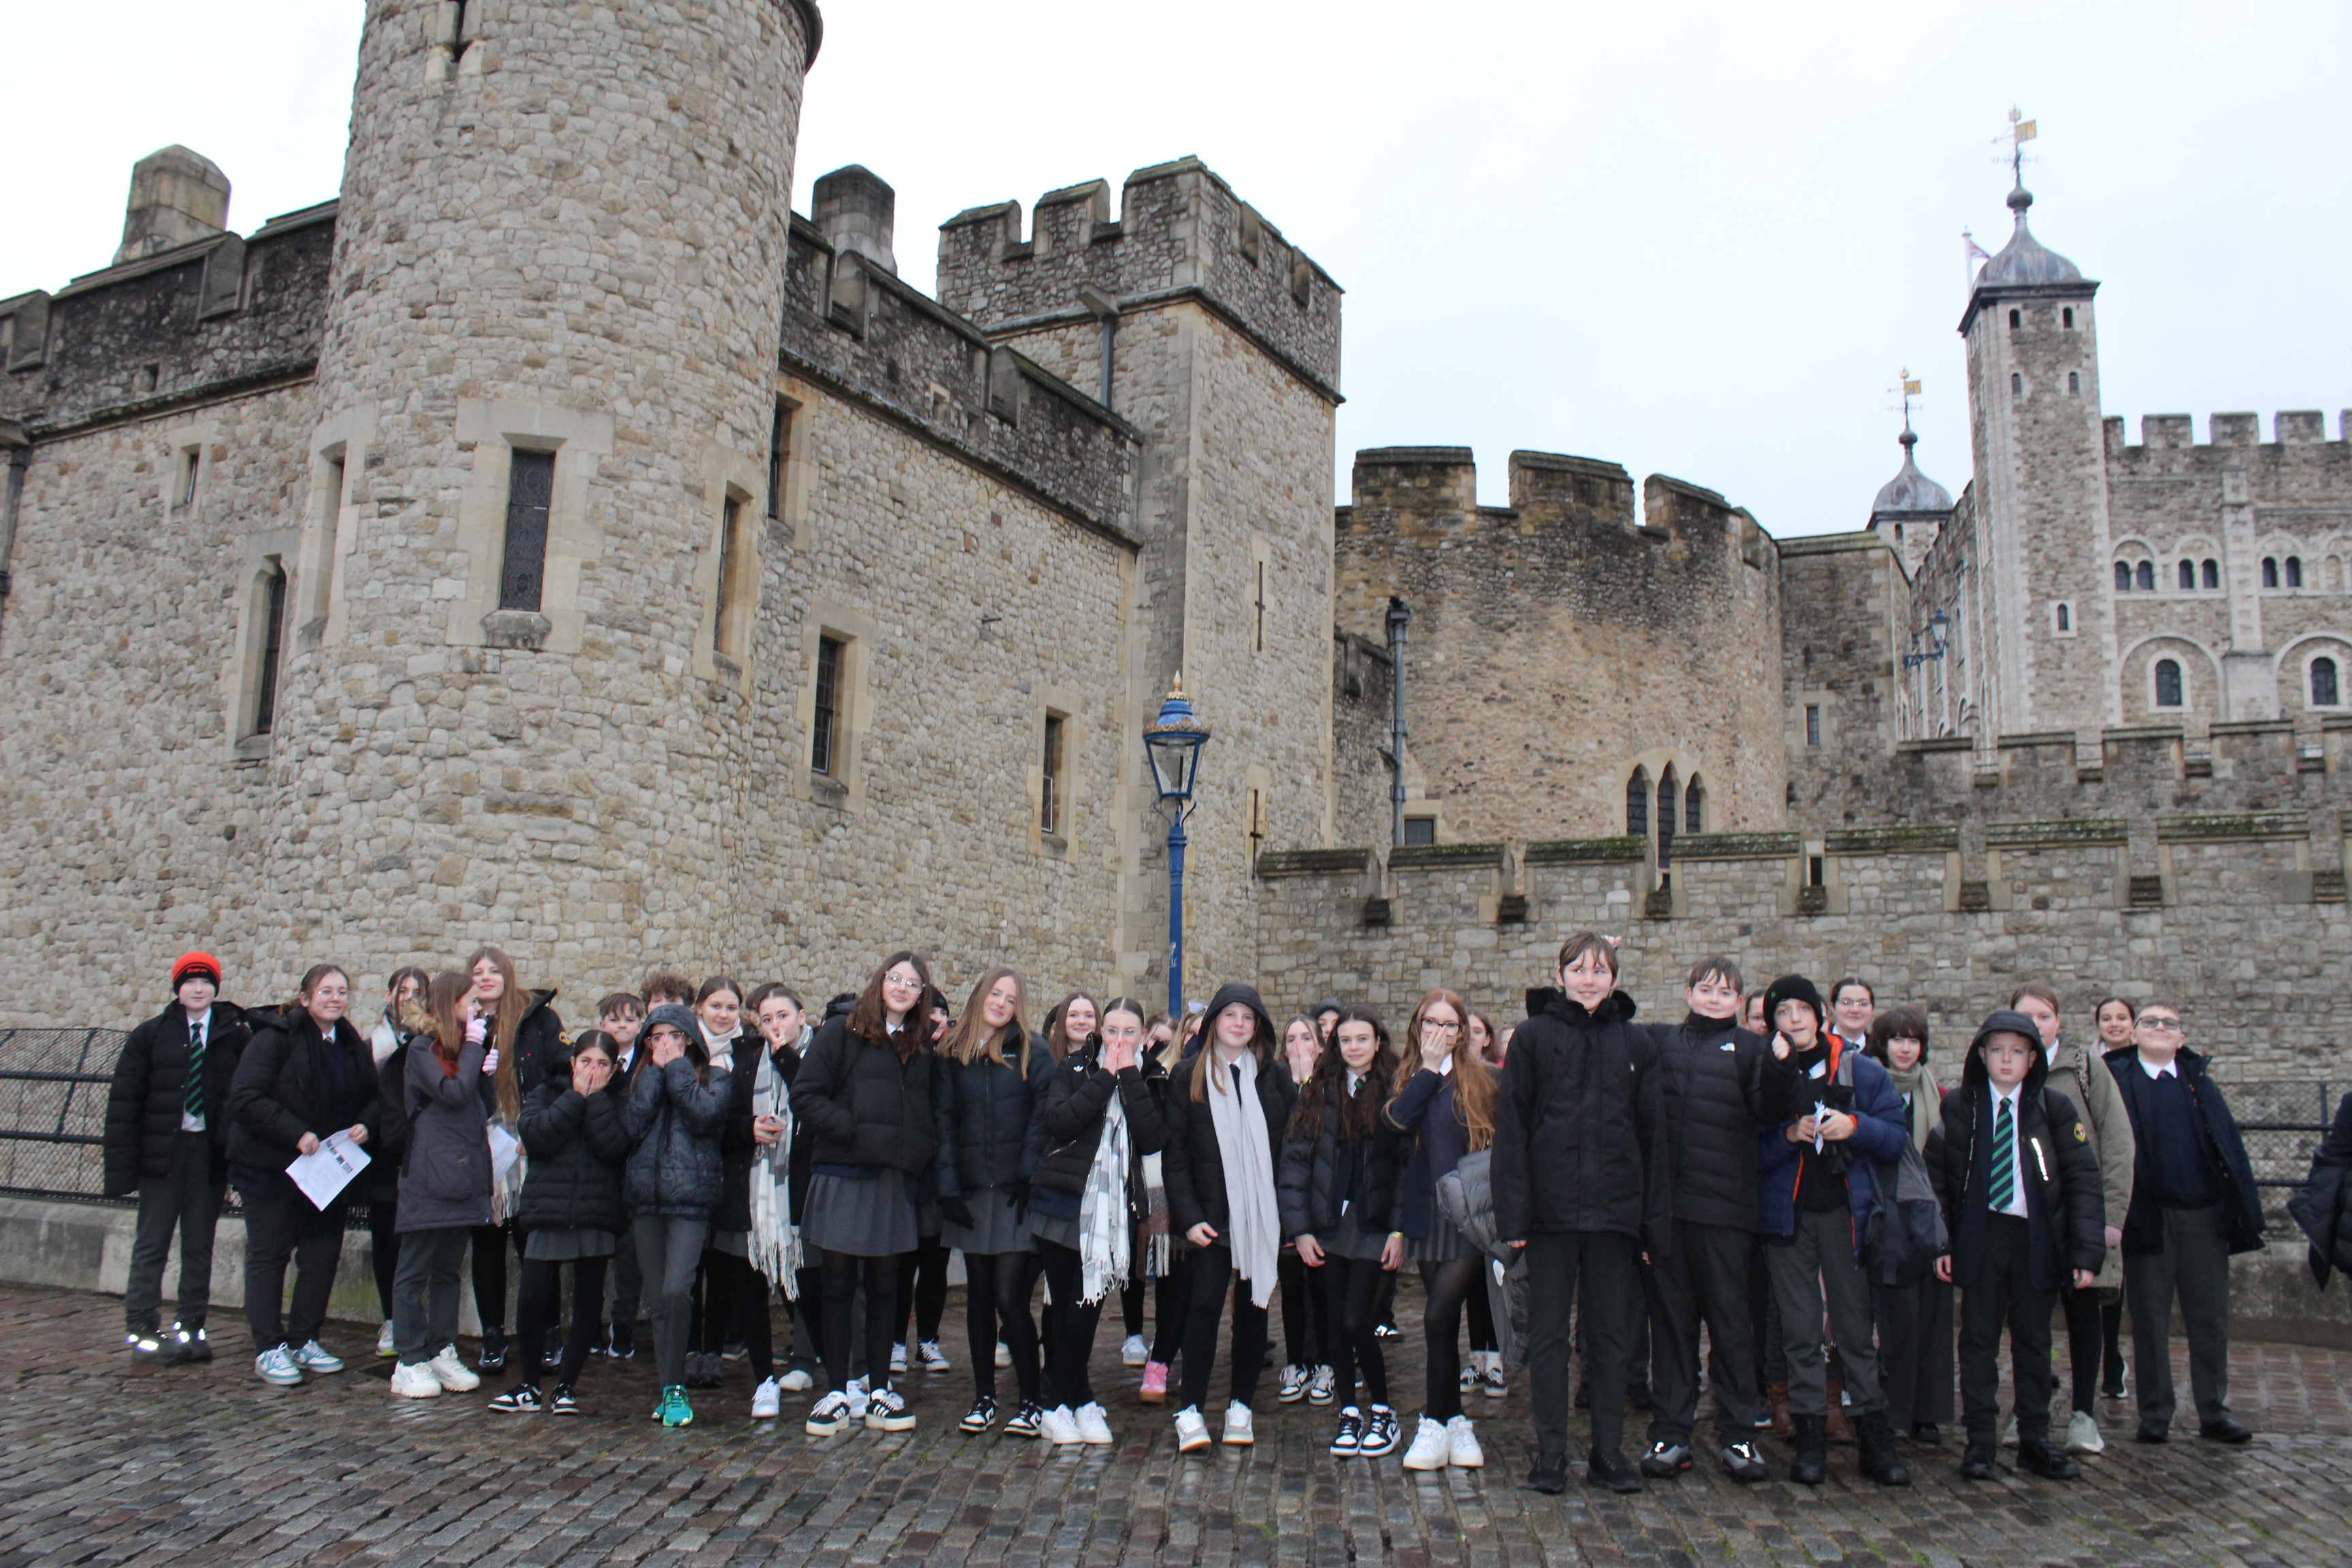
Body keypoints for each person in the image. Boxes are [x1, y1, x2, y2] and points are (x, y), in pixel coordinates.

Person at [1493, 931, 1660, 1496]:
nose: (1589, 979)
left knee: (1610, 1337)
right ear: (1561, 974)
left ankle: (1608, 1452)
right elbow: (1512, 1131)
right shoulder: (1535, 1039)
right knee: (1548, 1339)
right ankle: (1551, 1453)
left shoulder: (1635, 1044)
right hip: (1551, 1215)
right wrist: (1514, 1219)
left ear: (1614, 978)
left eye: (1600, 970)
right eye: (1579, 969)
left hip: (1614, 1216)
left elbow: (1650, 1136)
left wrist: (1647, 1224)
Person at [1638, 956, 1796, 1484]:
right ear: (1687, 994)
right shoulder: (1660, 1042)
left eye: (1726, 993)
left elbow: (1771, 1111)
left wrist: (1778, 1064)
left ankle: (1739, 1436)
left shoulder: (1752, 1049)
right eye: (1705, 989)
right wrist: (1604, 960)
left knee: (1731, 1327)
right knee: (1673, 1327)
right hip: (1670, 1214)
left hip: (1727, 1213)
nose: (1714, 999)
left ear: (1738, 1003)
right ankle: (1671, 1431)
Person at [1928, 1010, 2104, 1482]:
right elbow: (1937, 1180)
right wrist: (1943, 1241)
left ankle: (2035, 1439)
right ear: (1982, 1056)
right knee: (1979, 1340)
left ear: (2033, 1060)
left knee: (2034, 1340)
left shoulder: (2053, 1109)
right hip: (1981, 1236)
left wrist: (2086, 1252)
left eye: (2018, 1052)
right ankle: (1980, 1441)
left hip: (2035, 1237)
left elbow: (2083, 1182)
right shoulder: (1960, 1109)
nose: (2007, 1061)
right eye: (1998, 1051)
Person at [1755, 973, 1911, 1488]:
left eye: (1803, 1008)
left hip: (1848, 1216)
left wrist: (1856, 1128)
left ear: (1821, 1014)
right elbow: (1749, 1152)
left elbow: (1895, 1138)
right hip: (1789, 1218)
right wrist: (1786, 1136)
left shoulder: (1862, 1071)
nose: (1794, 1019)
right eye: (1783, 1012)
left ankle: (1875, 1437)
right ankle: (1811, 1437)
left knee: (1853, 1330)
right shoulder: (1766, 1074)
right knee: (1800, 1332)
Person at [2104, 1002, 2263, 1446]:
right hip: (2147, 1217)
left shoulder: (2200, 1086)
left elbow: (2228, 1147)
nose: (2159, 1028)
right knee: (2150, 1319)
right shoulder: (2117, 1084)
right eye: (2149, 1022)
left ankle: (2214, 1409)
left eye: (2168, 1024)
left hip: (2202, 1217)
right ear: (2134, 1035)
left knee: (2209, 1318)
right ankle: (2155, 1412)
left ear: (2181, 1038)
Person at [793, 952, 938, 1436]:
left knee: (885, 1289)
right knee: (836, 1286)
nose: (902, 987)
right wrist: (850, 1131)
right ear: (879, 983)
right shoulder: (843, 1032)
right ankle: (837, 1391)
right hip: (844, 1172)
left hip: (893, 1181)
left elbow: (927, 1113)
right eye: (894, 978)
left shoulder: (920, 1048)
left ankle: (879, 1391)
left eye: (912, 983)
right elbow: (806, 1094)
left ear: (922, 995)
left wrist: (915, 1152)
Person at [227, 962, 379, 1386]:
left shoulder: (349, 1044)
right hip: (273, 1170)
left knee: (321, 1257)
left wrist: (365, 1124)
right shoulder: (273, 1040)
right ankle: (267, 1347)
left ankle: (304, 1337)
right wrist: (294, 1133)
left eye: (342, 992)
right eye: (326, 991)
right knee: (270, 1255)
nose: (335, 998)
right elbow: (246, 1097)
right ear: (306, 997)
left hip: (326, 1174)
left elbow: (371, 1097)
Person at [1163, 982, 1298, 1452]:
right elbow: (1176, 1153)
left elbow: (1289, 1150)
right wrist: (1188, 1214)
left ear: (1257, 1026)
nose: (1238, 1024)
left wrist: (1287, 1216)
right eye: (1230, 1016)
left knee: (1254, 1311)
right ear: (1214, 1022)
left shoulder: (1274, 1078)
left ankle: (1241, 1405)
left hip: (1260, 1217)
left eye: (1247, 1017)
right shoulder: (1187, 1077)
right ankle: (1192, 1409)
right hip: (1211, 1218)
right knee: (1202, 1309)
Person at [1030, 996, 1171, 1445]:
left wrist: (1127, 1076)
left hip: (1114, 1214)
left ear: (1144, 1037)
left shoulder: (1151, 1078)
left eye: (1130, 1032)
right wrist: (1105, 1075)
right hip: (1064, 1202)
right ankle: (1064, 1404)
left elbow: (1153, 1138)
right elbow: (1061, 1122)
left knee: (1087, 1307)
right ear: (1099, 1032)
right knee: (1064, 1304)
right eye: (1112, 1030)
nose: (1120, 1039)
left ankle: (1070, 1399)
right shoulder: (1072, 1069)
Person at [107, 950, 250, 1367]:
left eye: (206, 982)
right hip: (162, 1154)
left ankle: (192, 1325)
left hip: (206, 1154)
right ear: (178, 988)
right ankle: (142, 1326)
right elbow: (126, 1103)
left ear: (216, 988)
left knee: (199, 1245)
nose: (198, 988)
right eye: (190, 982)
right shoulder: (151, 1035)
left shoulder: (233, 1036)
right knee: (151, 1243)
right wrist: (123, 1165)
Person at [2008, 982, 2134, 1454]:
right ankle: (2028, 1409)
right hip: (2027, 1219)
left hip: (2080, 1213)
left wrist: (2112, 1216)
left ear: (2058, 1022)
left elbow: (2118, 1143)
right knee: (2028, 1321)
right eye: (2027, 1016)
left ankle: (2083, 1413)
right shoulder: (2005, 1066)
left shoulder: (2086, 1068)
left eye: (2044, 1016)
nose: (2037, 1025)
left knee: (2085, 1317)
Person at [1280, 1005, 1405, 1460]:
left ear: (1377, 1043)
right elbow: (1295, 1162)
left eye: (1363, 1039)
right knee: (1334, 1319)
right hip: (1329, 1222)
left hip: (1373, 1222)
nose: (1354, 1047)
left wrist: (1399, 1230)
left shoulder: (1395, 1090)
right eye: (1346, 1040)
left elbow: (1406, 1166)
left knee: (1357, 1319)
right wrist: (1301, 1229)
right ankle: (1349, 1413)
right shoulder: (1317, 1092)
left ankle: (1384, 1411)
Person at [489, 1030, 632, 1414]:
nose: (592, 1070)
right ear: (572, 1063)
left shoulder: (620, 1099)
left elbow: (615, 1146)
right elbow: (538, 1136)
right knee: (533, 1297)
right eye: (586, 1062)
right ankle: (528, 1384)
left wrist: (597, 1100)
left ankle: (568, 1385)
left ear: (614, 1068)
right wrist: (576, 1097)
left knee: (588, 1302)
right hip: (549, 1210)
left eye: (602, 1064)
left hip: (596, 1211)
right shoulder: (546, 1093)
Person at [934, 968, 1051, 1438]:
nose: (1001, 1003)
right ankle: (984, 1397)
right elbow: (943, 1121)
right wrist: (947, 1185)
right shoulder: (952, 1054)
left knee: (1010, 1296)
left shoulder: (1032, 1051)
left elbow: (1042, 1117)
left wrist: (1028, 1173)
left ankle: (1031, 1398)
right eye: (995, 994)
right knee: (978, 1298)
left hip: (1012, 1192)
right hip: (969, 1190)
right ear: (981, 995)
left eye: (1011, 997)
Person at [1387, 988, 1497, 1471]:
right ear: (1418, 1027)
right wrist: (1428, 1071)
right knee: (1443, 1324)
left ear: (1463, 1032)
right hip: (1426, 1216)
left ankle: (1434, 1420)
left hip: (1469, 1214)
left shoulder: (1484, 1080)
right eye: (1432, 1023)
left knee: (1436, 1316)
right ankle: (1453, 1424)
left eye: (1451, 1025)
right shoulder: (1410, 1078)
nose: (1441, 1032)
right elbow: (1394, 1125)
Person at [621, 1001, 732, 1427]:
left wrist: (677, 1072)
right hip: (646, 1201)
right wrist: (653, 1076)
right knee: (659, 1301)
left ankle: (676, 1385)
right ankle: (670, 1387)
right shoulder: (640, 1081)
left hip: (689, 1200)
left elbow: (704, 1116)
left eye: (675, 1037)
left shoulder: (716, 1080)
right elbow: (630, 1128)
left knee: (676, 1290)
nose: (666, 1045)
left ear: (690, 1041)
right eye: (657, 1038)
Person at [389, 971, 497, 1400]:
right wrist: (473, 1047)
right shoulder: (420, 1048)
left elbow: (479, 1104)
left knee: (448, 1269)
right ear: (450, 1002)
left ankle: (441, 1347)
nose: (476, 1009)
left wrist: (483, 1069)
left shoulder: (463, 1047)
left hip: (464, 1171)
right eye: (470, 1000)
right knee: (414, 1268)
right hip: (431, 1174)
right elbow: (450, 1093)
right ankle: (409, 1357)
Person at [461, 946, 566, 1373]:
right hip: (481, 1144)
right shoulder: (461, 1021)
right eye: (477, 971)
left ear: (508, 975)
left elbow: (562, 1073)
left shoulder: (538, 1018)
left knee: (535, 1246)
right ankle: (492, 1336)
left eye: (493, 971)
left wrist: (536, 1125)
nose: (485, 977)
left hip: (527, 1144)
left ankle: (547, 1332)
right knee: (487, 1245)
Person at [691, 976, 785, 1409]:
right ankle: (711, 1353)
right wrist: (746, 1130)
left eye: (732, 1007)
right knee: (715, 1272)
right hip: (719, 1176)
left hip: (762, 1184)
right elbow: (716, 1121)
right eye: (716, 1006)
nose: (723, 1014)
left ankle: (773, 1371)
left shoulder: (754, 1053)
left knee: (751, 1280)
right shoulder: (717, 1056)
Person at [1863, 1005, 1954, 1443]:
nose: (1905, 1048)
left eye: (1913, 1040)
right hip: (1885, 1211)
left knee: (1932, 1319)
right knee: (1896, 1319)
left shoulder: (1934, 1092)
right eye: (1897, 1039)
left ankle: (1927, 1410)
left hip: (1928, 1212)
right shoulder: (1868, 1083)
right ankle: (1893, 1407)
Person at [889, 987, 960, 1378]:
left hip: (939, 1176)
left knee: (935, 1264)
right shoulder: (900, 1053)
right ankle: (897, 1341)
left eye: (942, 1015)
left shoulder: (953, 1059)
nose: (936, 1021)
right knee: (902, 1264)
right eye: (928, 1014)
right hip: (905, 1174)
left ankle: (927, 1340)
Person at [364, 966, 429, 1358]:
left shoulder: (432, 1040)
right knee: (386, 1240)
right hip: (383, 1153)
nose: (408, 997)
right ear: (389, 995)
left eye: (416, 991)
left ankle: (416, 1319)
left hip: (419, 1151)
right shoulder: (372, 1043)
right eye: (401, 990)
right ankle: (392, 1317)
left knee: (417, 1244)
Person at [1274, 1013, 1333, 1407]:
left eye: (1306, 1038)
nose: (1299, 1046)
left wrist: (1310, 1086)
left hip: (1322, 1204)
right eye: (1291, 1039)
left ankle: (1327, 1361)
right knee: (1292, 1288)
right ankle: (1297, 1361)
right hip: (1287, 1205)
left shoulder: (1331, 1089)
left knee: (1324, 1290)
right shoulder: (1276, 1087)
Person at [2090, 995, 2138, 1401]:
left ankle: (2114, 1359)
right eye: (2107, 1018)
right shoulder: (2089, 1067)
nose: (2115, 1024)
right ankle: (2106, 1359)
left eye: (2121, 1018)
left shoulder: (2145, 1068)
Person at [595, 990, 648, 1359]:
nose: (622, 1025)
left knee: (631, 1257)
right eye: (615, 1019)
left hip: (636, 1171)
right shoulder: (595, 1060)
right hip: (602, 1173)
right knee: (596, 1256)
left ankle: (623, 1325)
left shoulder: (647, 1065)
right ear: (602, 1025)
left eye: (630, 1019)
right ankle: (592, 1328)